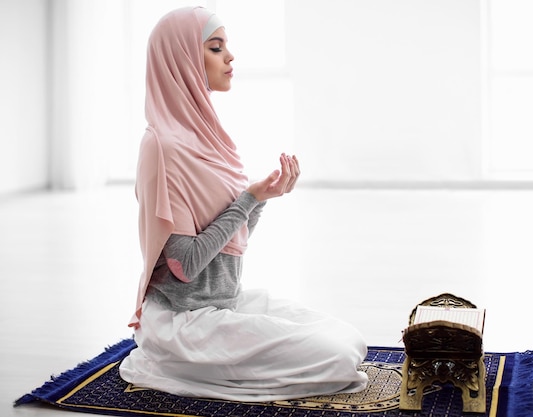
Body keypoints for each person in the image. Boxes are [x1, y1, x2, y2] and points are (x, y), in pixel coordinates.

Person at [118, 7, 369, 401]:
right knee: (336, 356)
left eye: (226, 46)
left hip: (226, 303)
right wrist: (248, 198)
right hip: (185, 322)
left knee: (349, 341)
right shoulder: (161, 147)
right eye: (215, 47)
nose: (230, 57)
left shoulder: (208, 139)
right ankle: (162, 360)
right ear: (180, 60)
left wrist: (261, 200)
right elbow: (185, 265)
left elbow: (230, 243)